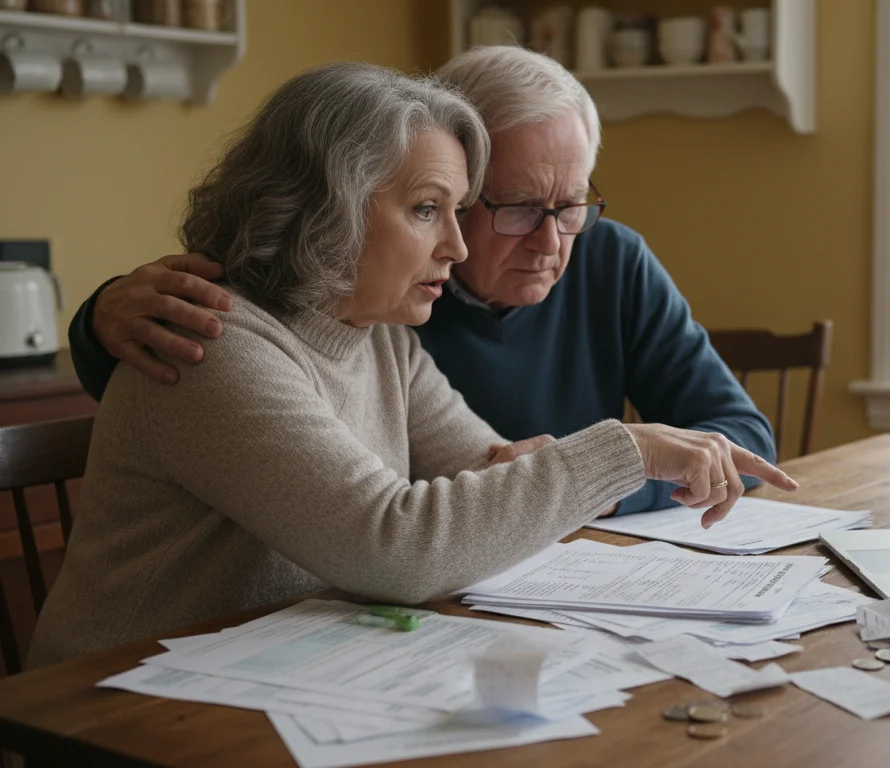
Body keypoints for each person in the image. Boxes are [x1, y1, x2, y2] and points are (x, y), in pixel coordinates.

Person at [27, 63, 794, 668]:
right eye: (430, 210)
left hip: (277, 671)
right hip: (118, 706)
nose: (456, 248)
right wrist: (620, 451)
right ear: (325, 205)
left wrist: (540, 468)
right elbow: (394, 545)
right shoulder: (215, 344)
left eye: (456, 211)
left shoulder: (380, 336)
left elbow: (491, 463)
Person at [65, 46, 774, 517]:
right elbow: (215, 368)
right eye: (520, 207)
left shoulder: (608, 258)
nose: (553, 241)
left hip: (477, 575)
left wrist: (598, 489)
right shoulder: (366, 301)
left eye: (573, 206)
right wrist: (99, 318)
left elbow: (741, 438)